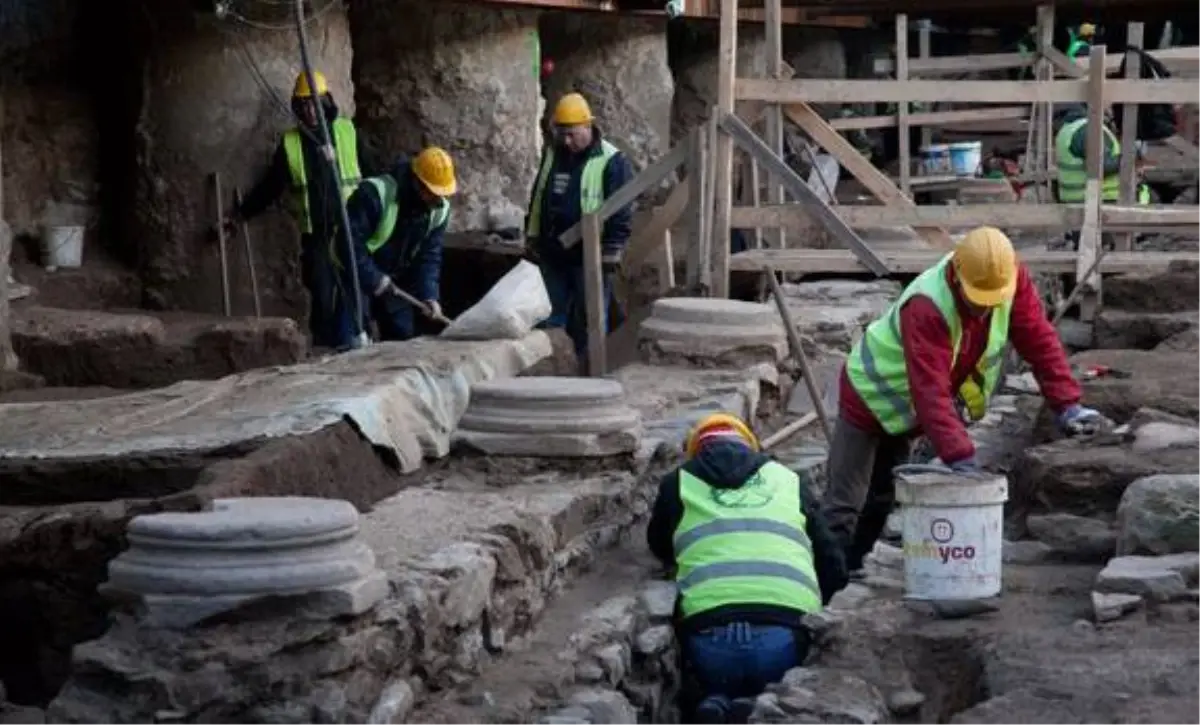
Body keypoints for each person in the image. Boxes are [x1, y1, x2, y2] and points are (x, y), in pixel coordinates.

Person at [822, 227, 1111, 575]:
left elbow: (1038, 339)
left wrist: (1067, 404)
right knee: (843, 506)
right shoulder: (928, 305)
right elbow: (930, 390)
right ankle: (826, 587)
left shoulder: (1006, 277)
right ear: (958, 276)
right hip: (868, 395)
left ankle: (855, 570)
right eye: (978, 299)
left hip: (906, 412)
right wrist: (960, 456)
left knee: (881, 497)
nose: (985, 308)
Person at [646, 413, 848, 725]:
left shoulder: (678, 482)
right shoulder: (787, 479)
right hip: (783, 636)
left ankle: (717, 699)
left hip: (709, 640)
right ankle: (752, 704)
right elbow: (831, 561)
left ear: (696, 450)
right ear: (750, 446)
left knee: (708, 684)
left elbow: (659, 545)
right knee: (773, 693)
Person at [229, 70, 369, 349]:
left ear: (326, 101)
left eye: (313, 102)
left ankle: (354, 343)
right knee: (321, 291)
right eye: (302, 104)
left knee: (355, 288)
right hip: (316, 232)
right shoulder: (291, 143)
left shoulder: (348, 132)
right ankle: (325, 348)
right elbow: (271, 186)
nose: (309, 110)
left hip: (350, 228)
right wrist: (240, 214)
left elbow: (374, 175)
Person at [525, 92, 634, 364]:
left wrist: (612, 249)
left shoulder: (612, 160)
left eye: (572, 134)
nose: (566, 140)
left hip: (590, 255)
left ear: (588, 126)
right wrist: (533, 236)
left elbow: (621, 209)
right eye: (561, 134)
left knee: (591, 319)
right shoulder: (553, 154)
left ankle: (591, 370)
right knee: (550, 315)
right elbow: (539, 196)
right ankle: (554, 371)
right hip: (554, 252)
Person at [342, 147, 455, 342]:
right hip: (355, 273)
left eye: (442, 194)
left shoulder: (438, 210)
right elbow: (349, 245)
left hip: (396, 279)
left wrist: (429, 295)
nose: (438, 199)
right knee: (353, 340)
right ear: (417, 184)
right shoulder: (374, 195)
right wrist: (374, 278)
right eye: (433, 193)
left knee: (401, 337)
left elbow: (429, 256)